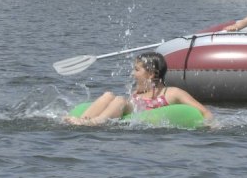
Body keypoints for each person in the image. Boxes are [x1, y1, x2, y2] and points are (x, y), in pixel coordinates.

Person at [66, 52, 212, 125]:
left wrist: (211, 125)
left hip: (150, 118)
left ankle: (93, 123)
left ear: (151, 74)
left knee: (120, 99)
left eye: (136, 70)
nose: (132, 74)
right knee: (108, 95)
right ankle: (81, 119)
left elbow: (204, 112)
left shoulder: (173, 93)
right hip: (128, 117)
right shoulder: (137, 93)